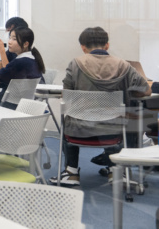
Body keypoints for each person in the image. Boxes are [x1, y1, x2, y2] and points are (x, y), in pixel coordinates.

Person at [51, 26, 150, 187]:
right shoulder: (123, 65)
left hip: (78, 129)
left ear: (83, 48)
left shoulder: (75, 64)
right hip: (113, 129)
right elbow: (146, 90)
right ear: (107, 45)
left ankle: (71, 172)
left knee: (67, 118)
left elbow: (66, 96)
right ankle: (115, 171)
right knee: (125, 117)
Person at [0, 26, 45, 108]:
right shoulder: (32, 60)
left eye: (14, 39)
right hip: (25, 106)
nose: (9, 42)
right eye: (10, 38)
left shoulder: (20, 62)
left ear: (26, 44)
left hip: (9, 106)